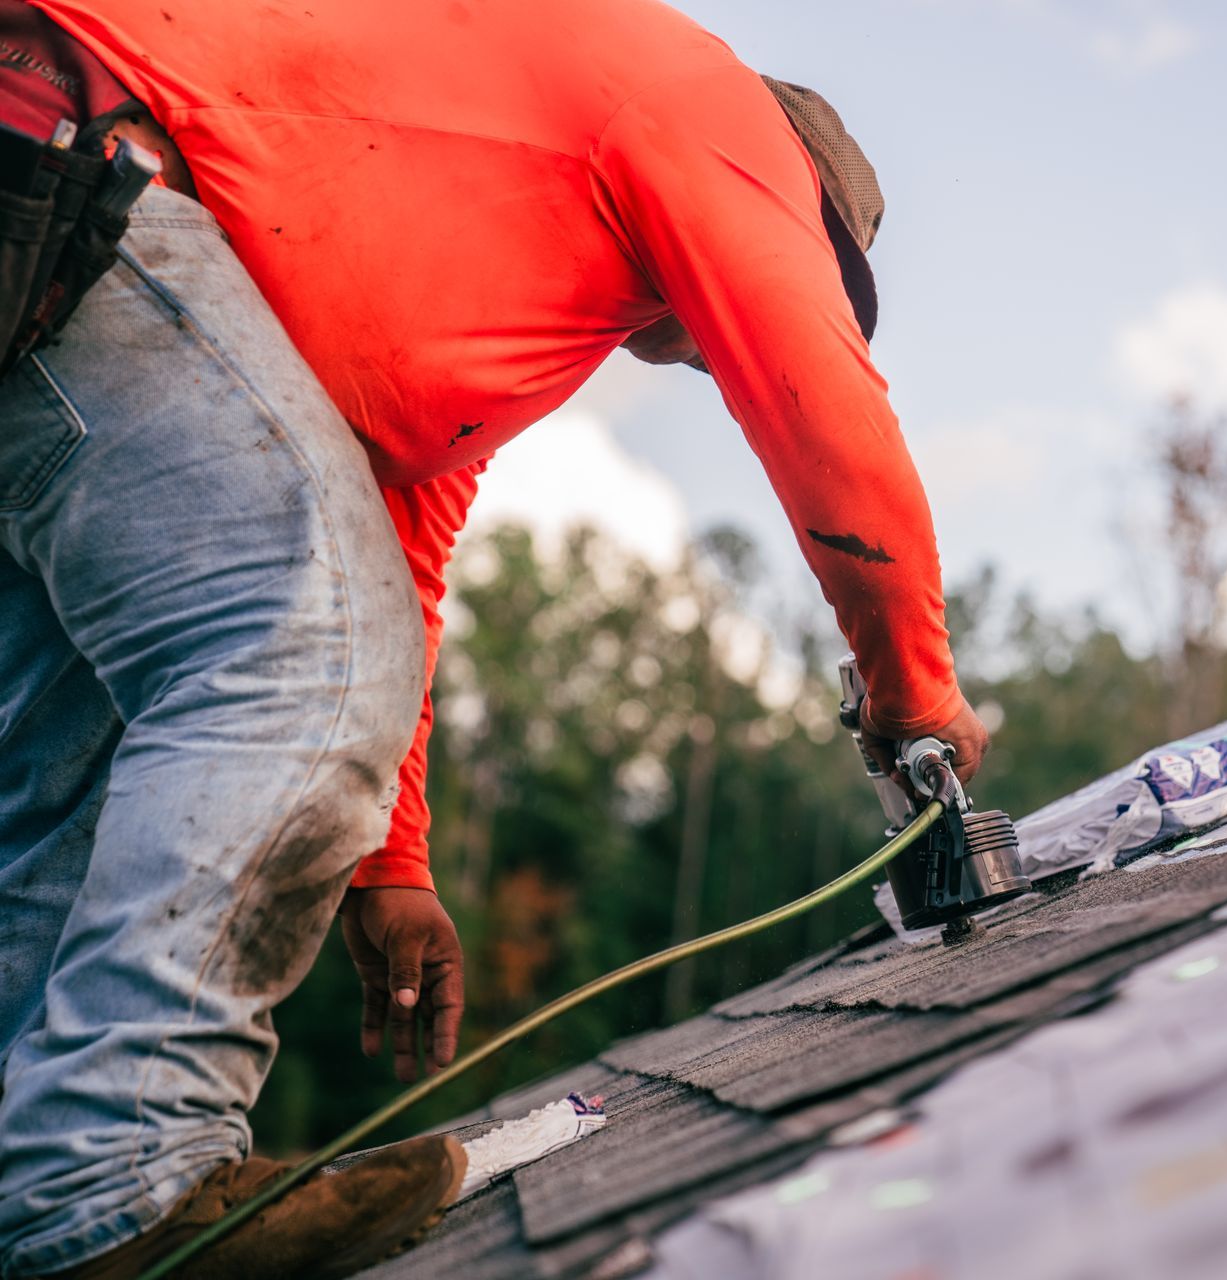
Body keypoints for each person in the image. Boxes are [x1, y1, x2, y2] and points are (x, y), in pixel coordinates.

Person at [0, 1, 989, 1275]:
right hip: (76, 161)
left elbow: (396, 562)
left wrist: (391, 864)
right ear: (793, 205)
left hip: (58, 233)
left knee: (82, 750)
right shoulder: (710, 108)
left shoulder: (485, 306)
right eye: (813, 267)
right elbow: (822, 412)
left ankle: (31, 1191)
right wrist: (916, 699)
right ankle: (112, 1183)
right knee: (286, 636)